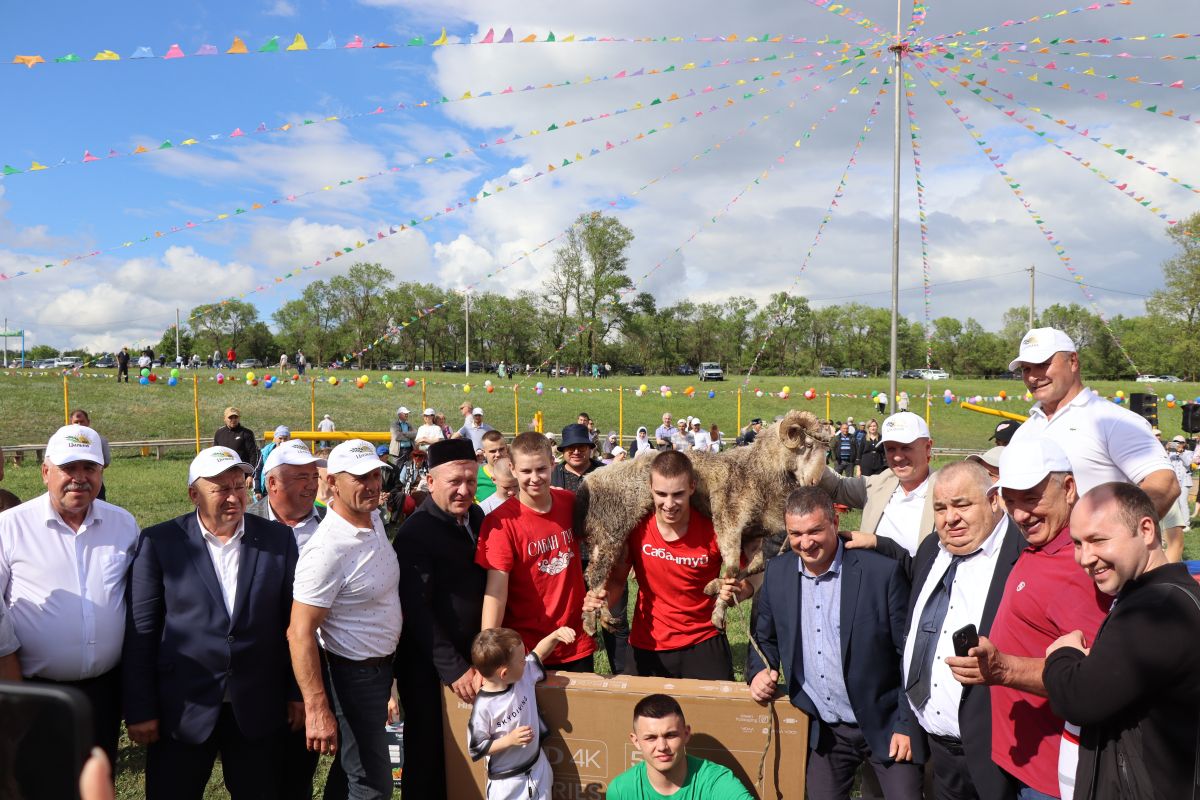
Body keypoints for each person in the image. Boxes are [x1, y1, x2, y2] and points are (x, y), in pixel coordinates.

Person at [123, 446, 300, 800]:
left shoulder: (278, 539)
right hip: (183, 708)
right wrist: (140, 709)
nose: (234, 496)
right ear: (193, 494)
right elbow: (142, 632)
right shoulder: (160, 542)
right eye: (221, 488)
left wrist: (297, 693)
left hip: (257, 706)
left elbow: (292, 625)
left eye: (240, 485)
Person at [946, 437, 1112, 800]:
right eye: (1011, 499)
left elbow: (1093, 678)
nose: (1020, 514)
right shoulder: (1042, 543)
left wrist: (1003, 670)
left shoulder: (1080, 565)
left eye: (1032, 497)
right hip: (1019, 763)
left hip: (1052, 779)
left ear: (1069, 489)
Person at [749, 486, 922, 799]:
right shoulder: (778, 573)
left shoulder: (880, 574)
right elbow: (764, 637)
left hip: (884, 721)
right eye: (796, 534)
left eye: (815, 531)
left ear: (835, 523)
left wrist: (906, 724)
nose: (806, 542)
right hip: (825, 731)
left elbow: (909, 656)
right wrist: (759, 670)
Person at [1042, 482, 1200, 800]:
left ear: (1145, 530)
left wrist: (1062, 654)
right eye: (1077, 543)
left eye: (1098, 540)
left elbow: (1078, 698)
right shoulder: (1153, 594)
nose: (1085, 557)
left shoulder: (1158, 609)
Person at [0, 424, 138, 767]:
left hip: (105, 692)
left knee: (96, 778)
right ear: (46, 472)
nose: (80, 478)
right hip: (33, 690)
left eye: (89, 468)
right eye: (69, 468)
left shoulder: (123, 525)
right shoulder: (10, 527)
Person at [288, 440, 402, 800]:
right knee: (372, 784)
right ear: (333, 483)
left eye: (374, 474)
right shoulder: (326, 550)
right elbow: (300, 631)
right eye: (359, 477)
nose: (371, 484)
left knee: (351, 771)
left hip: (379, 670)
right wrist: (317, 708)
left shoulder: (373, 520)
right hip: (352, 676)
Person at [903, 461, 1023, 800]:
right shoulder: (930, 550)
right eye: (940, 508)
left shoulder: (1023, 554)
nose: (949, 518)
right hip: (938, 752)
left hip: (1000, 751)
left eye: (962, 504)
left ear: (994, 500)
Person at [583, 451, 750, 680]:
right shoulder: (636, 527)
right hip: (649, 642)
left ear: (692, 486)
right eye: (661, 494)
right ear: (650, 487)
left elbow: (749, 581)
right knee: (638, 714)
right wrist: (600, 601)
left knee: (715, 714)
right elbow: (617, 582)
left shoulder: (715, 529)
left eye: (678, 494)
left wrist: (736, 592)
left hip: (703, 640)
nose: (669, 504)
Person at [394, 439, 487, 800]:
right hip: (431, 670)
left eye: (470, 480)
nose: (464, 490)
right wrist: (454, 667)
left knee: (470, 753)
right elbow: (416, 610)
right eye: (454, 482)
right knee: (429, 757)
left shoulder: (475, 517)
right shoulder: (416, 533)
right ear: (430, 482)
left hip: (473, 662)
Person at [1006, 327, 1178, 519]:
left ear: (1073, 361)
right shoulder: (1024, 431)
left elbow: (1164, 483)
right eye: (1026, 369)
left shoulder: (1113, 419)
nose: (1032, 377)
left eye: (1043, 364)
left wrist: (1116, 534)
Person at [477, 432, 595, 671]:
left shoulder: (569, 502)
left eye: (541, 469)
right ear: (512, 468)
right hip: (528, 649)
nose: (534, 478)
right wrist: (488, 653)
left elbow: (598, 545)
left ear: (553, 463)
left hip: (576, 641)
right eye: (526, 471)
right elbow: (496, 592)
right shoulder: (500, 522)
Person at [467, 626, 578, 800]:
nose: (526, 661)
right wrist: (509, 740)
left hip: (537, 768)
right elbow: (476, 748)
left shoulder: (522, 676)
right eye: (521, 660)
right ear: (504, 673)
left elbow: (538, 653)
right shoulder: (484, 706)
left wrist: (556, 634)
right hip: (507, 783)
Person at [820, 411, 937, 561]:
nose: (897, 457)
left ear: (928, 447)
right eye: (891, 449)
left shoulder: (946, 492)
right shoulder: (879, 484)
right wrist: (806, 456)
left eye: (906, 447)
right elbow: (837, 486)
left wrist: (876, 542)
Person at [607, 693, 754, 800]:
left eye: (670, 735)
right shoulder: (621, 790)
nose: (662, 746)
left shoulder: (715, 781)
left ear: (686, 733)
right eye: (651, 738)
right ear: (636, 741)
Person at [247, 439, 327, 549]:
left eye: (315, 477)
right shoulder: (243, 524)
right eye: (302, 477)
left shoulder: (332, 521)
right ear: (273, 483)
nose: (312, 485)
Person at [69, 408, 111, 500]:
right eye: (76, 422)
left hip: (95, 484)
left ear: (88, 422)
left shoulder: (100, 440)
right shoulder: (63, 442)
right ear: (70, 423)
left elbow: (106, 461)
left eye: (82, 421)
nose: (79, 424)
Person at [551, 423, 605, 492]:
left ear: (590, 449)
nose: (576, 452)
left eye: (581, 447)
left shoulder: (605, 472)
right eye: (571, 447)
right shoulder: (551, 475)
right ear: (563, 450)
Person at [1163, 434, 1191, 562]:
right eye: (1175, 442)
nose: (1177, 444)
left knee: (1183, 502)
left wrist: (1181, 453)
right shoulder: (1170, 454)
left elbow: (1189, 463)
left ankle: (1186, 524)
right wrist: (1167, 450)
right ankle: (1176, 524)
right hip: (1173, 482)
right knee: (1174, 504)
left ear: (1184, 444)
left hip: (1185, 481)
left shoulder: (1188, 453)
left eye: (1179, 442)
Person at [213, 406, 260, 480]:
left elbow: (253, 455)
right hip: (223, 473)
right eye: (230, 417)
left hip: (240, 474)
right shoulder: (219, 433)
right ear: (224, 419)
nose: (233, 420)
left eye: (235, 417)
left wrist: (250, 475)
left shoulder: (247, 433)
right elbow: (215, 454)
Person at [254, 425, 291, 497]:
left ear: (289, 439)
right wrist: (257, 490)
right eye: (280, 438)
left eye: (285, 438)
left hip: (284, 493)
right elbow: (258, 471)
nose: (283, 441)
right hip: (265, 492)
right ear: (275, 438)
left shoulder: (293, 453)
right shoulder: (265, 452)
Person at [476, 430, 509, 502]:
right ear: (484, 452)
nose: (498, 454)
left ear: (506, 448)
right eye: (493, 451)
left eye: (501, 449)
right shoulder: (475, 478)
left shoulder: (518, 474)